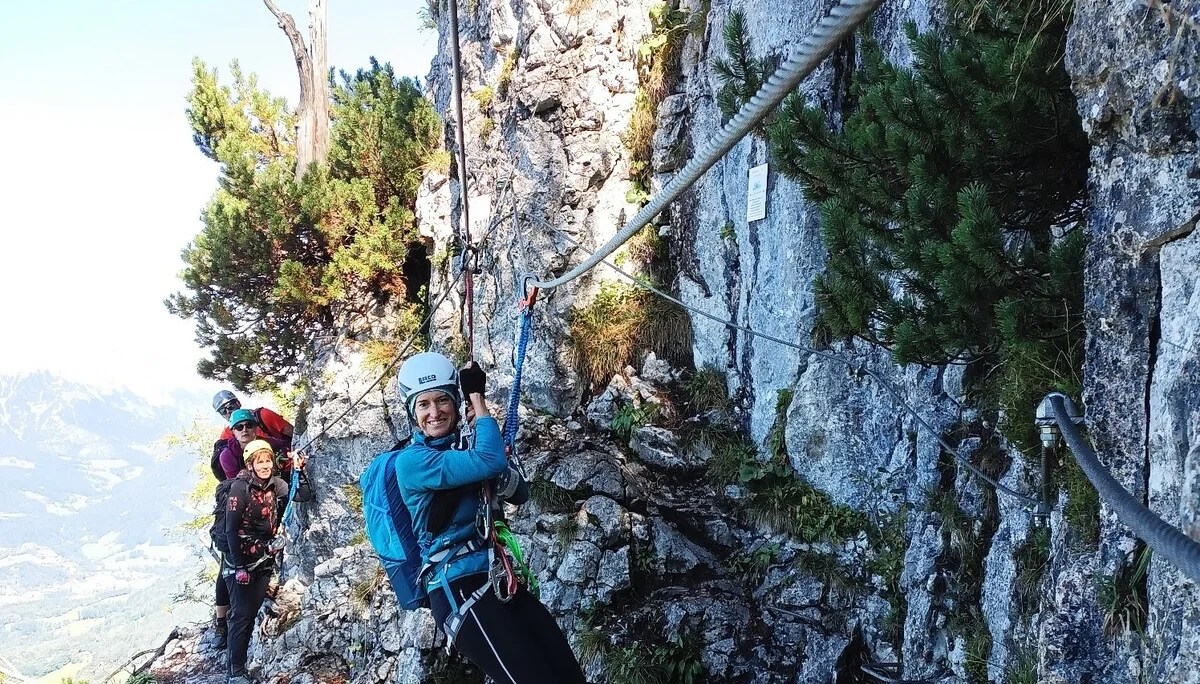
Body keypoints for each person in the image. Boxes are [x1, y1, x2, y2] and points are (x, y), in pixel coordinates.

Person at [393, 351, 585, 684]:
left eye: (442, 401)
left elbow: (520, 493)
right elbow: (490, 462)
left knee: (567, 675)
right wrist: (478, 400)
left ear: (454, 403)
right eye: (423, 405)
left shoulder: (469, 448)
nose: (434, 412)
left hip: (496, 579)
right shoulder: (412, 463)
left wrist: (483, 433)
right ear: (413, 413)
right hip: (459, 590)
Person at [223, 439, 290, 684]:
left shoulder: (276, 484)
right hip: (238, 561)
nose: (264, 465)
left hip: (263, 559)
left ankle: (240, 667)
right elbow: (231, 530)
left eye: (268, 460)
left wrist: (299, 469)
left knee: (250, 613)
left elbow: (301, 495)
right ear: (250, 465)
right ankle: (235, 672)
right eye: (259, 461)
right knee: (241, 614)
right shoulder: (240, 489)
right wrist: (239, 566)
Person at [212, 390, 294, 446]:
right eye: (223, 411)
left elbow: (294, 434)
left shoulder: (263, 415)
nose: (228, 412)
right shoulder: (226, 435)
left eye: (230, 407)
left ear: (238, 403)